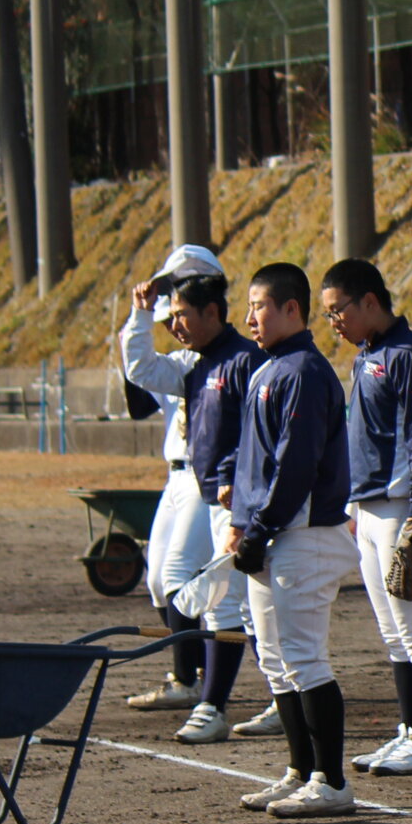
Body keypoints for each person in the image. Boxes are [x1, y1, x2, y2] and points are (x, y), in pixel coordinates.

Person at [227, 263, 359, 819]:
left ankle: (331, 780)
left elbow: (296, 463)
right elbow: (255, 460)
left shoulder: (303, 370)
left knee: (303, 658)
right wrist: (243, 523)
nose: (250, 318)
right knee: (277, 660)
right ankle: (300, 771)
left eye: (259, 306)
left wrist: (258, 527)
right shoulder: (270, 368)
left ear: (291, 309)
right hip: (274, 534)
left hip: (302, 534)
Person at [319, 258, 412, 778]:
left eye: (338, 311)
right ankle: (410, 730)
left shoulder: (410, 354)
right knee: (393, 631)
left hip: (402, 508)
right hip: (370, 507)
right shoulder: (368, 354)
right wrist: (354, 506)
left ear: (370, 301)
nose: (334, 322)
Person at [118, 263, 261, 745]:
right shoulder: (193, 362)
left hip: (237, 500)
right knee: (212, 598)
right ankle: (216, 697)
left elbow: (261, 433)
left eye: (181, 315)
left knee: (236, 603)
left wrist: (240, 485)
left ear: (213, 312)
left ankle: (213, 703)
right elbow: (141, 370)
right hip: (204, 490)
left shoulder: (244, 360)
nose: (174, 324)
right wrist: (139, 316)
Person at [119, 243, 226, 719]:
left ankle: (192, 679)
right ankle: (190, 671)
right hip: (177, 475)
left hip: (209, 478)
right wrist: (138, 322)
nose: (173, 323)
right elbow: (139, 382)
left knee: (181, 579)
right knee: (158, 581)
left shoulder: (228, 357)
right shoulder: (183, 360)